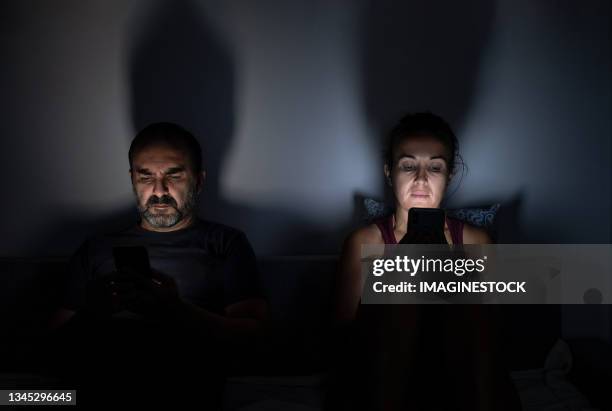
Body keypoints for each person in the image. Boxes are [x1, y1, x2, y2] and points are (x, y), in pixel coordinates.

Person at [47, 122, 268, 409]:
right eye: (145, 176)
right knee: (23, 399)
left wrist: (176, 310)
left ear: (198, 182)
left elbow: (256, 338)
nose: (159, 190)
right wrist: (93, 312)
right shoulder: (96, 248)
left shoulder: (225, 244)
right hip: (98, 385)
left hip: (186, 386)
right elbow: (51, 349)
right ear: (132, 180)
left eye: (174, 176)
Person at [330, 113, 521, 411]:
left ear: (450, 175)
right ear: (389, 172)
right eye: (408, 165)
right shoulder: (364, 243)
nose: (421, 179)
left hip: (456, 374)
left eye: (435, 167)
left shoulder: (476, 242)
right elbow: (346, 337)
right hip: (382, 372)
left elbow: (490, 336)